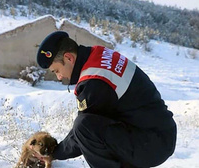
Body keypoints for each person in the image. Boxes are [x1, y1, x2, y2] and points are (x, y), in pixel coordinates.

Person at [36, 31, 177, 168]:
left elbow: (83, 133)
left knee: (83, 125)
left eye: (57, 71)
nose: (59, 77)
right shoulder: (98, 54)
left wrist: (55, 153)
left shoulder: (93, 82)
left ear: (69, 58)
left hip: (151, 144)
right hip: (159, 133)